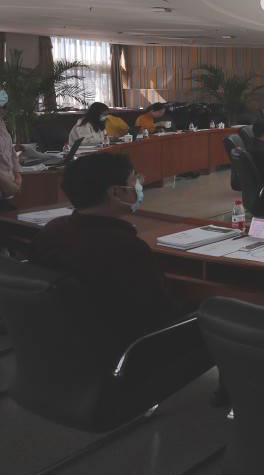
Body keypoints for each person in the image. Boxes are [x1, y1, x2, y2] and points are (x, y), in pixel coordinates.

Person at [30, 152, 178, 364]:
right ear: (116, 192)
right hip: (127, 354)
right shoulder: (126, 248)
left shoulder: (52, 230)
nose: (139, 184)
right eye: (134, 179)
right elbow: (159, 313)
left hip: (63, 348)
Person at [0, 87, 21, 210]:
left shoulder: (2, 124)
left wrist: (17, 175)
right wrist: (6, 183)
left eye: (4, 107)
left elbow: (11, 152)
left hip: (8, 188)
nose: (2, 111)